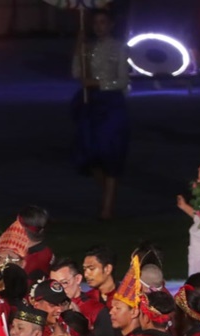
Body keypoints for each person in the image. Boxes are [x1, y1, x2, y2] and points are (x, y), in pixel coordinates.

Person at [71, 8, 129, 221]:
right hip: (91, 103)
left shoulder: (119, 47)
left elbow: (123, 80)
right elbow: (77, 73)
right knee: (90, 155)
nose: (99, 27)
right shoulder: (88, 47)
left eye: (103, 22)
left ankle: (107, 208)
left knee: (111, 153)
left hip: (112, 104)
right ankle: (108, 195)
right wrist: (78, 48)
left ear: (111, 24)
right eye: (95, 23)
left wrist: (98, 83)